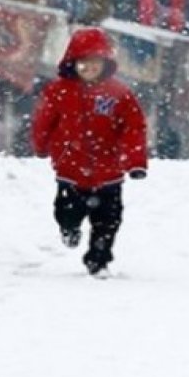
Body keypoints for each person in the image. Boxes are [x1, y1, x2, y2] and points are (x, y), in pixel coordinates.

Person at [31, 27, 148, 278]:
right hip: (70, 170)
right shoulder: (58, 91)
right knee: (66, 211)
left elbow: (134, 128)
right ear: (73, 63)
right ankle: (69, 228)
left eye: (94, 62)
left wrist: (135, 161)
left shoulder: (120, 95)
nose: (88, 68)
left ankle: (98, 260)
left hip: (109, 173)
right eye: (83, 62)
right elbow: (44, 121)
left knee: (108, 221)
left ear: (105, 63)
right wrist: (41, 146)